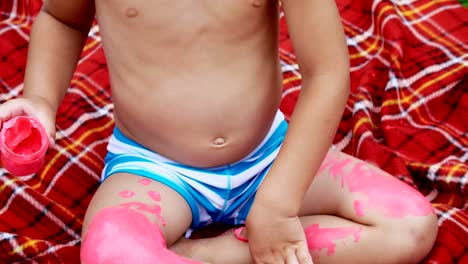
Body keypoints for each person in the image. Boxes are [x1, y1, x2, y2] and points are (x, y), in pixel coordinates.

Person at [0, 0, 438, 263]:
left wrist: (278, 205)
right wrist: (41, 98)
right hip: (153, 169)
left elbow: (326, 73)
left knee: (411, 227)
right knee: (110, 252)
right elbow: (63, 19)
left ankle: (216, 254)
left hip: (272, 154)